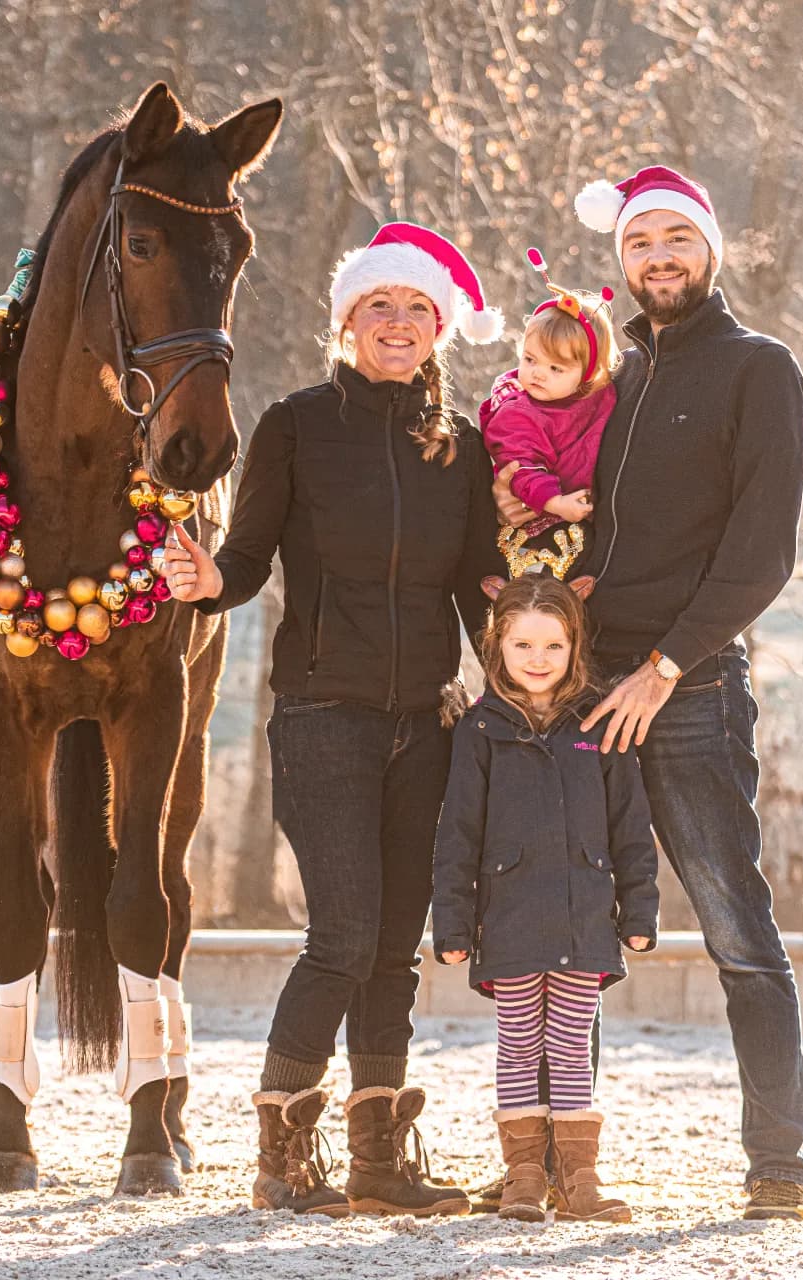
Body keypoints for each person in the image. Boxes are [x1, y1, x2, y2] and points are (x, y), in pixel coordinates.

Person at [163, 221, 506, 1218]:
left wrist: (527, 676)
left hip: (426, 720)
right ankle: (283, 1149)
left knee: (395, 942)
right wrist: (204, 579)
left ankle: (379, 1161)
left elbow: (478, 589)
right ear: (347, 322)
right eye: (377, 307)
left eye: (414, 309)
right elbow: (249, 552)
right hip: (323, 716)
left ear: (438, 327)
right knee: (344, 934)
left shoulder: (460, 445)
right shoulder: (297, 423)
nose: (396, 324)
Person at [494, 166, 803, 1221]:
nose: (660, 257)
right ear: (620, 259)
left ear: (711, 250)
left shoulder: (758, 370)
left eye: (679, 237)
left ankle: (778, 1163)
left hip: (690, 683)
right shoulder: (612, 375)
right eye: (641, 243)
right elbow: (526, 443)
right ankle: (550, 1166)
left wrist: (668, 664)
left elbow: (762, 552)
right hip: (578, 687)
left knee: (735, 926)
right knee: (564, 934)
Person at [432, 573, 660, 1224]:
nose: (538, 660)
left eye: (553, 646)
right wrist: (452, 924)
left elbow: (631, 827)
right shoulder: (479, 730)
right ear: (496, 645)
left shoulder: (598, 721)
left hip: (584, 918)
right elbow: (457, 835)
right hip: (507, 920)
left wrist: (638, 913)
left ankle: (579, 1177)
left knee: (567, 1044)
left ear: (574, 645)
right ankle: (524, 1177)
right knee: (517, 1044)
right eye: (523, 645)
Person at [477, 250, 621, 582]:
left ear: (588, 373)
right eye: (530, 360)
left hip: (581, 521)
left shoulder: (599, 397)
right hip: (535, 530)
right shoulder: (516, 413)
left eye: (556, 368)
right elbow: (521, 467)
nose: (538, 374)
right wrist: (556, 503)